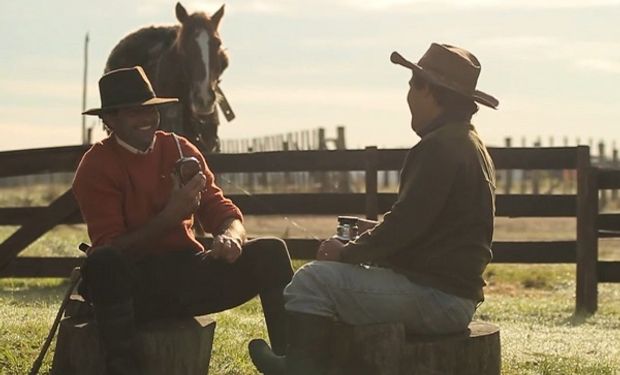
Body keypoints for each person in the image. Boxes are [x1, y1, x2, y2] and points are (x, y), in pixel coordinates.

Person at [248, 42, 498, 375]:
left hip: (437, 297)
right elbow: (428, 224)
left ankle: (299, 367)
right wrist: (370, 232)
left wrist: (347, 252)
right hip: (452, 295)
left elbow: (404, 228)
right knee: (326, 284)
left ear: (429, 91)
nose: (407, 94)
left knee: (312, 282)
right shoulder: (468, 143)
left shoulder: (438, 147)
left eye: (412, 84)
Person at [73, 66, 293, 375]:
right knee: (103, 263)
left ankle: (293, 361)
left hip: (186, 274)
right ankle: (122, 367)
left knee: (271, 250)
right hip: (135, 288)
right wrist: (170, 216)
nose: (147, 118)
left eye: (151, 109)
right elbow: (112, 247)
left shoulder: (179, 148)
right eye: (135, 112)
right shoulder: (96, 165)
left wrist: (232, 236)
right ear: (110, 120)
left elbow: (223, 211)